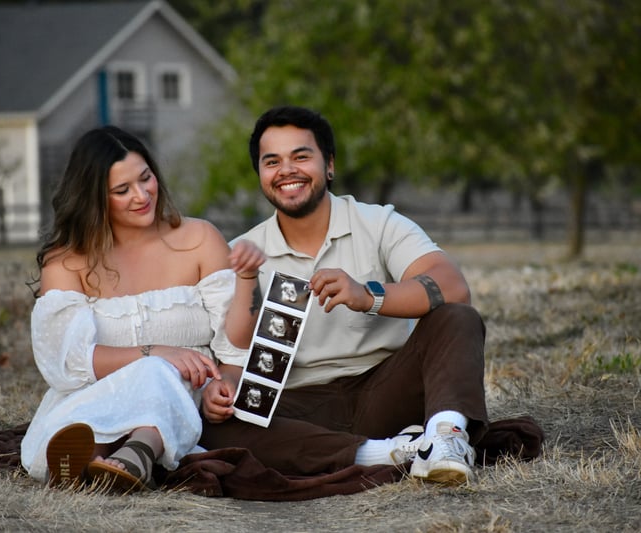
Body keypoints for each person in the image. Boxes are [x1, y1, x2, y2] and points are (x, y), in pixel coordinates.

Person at [199, 106, 488, 486]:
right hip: (297, 406)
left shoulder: (377, 222)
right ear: (261, 175)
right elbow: (232, 356)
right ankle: (388, 452)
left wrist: (368, 296)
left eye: (301, 156)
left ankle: (446, 440)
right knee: (208, 421)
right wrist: (219, 390)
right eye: (272, 162)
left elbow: (452, 286)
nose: (287, 170)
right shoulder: (243, 253)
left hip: (386, 390)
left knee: (457, 317)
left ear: (330, 165)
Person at [21, 125, 265, 493]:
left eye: (146, 178)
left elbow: (235, 346)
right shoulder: (67, 263)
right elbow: (68, 361)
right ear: (94, 199)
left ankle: (136, 452)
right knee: (145, 373)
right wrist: (154, 353)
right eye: (122, 190)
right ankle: (99, 458)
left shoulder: (199, 239)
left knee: (158, 374)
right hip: (99, 397)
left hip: (186, 396)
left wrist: (225, 382)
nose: (142, 195)